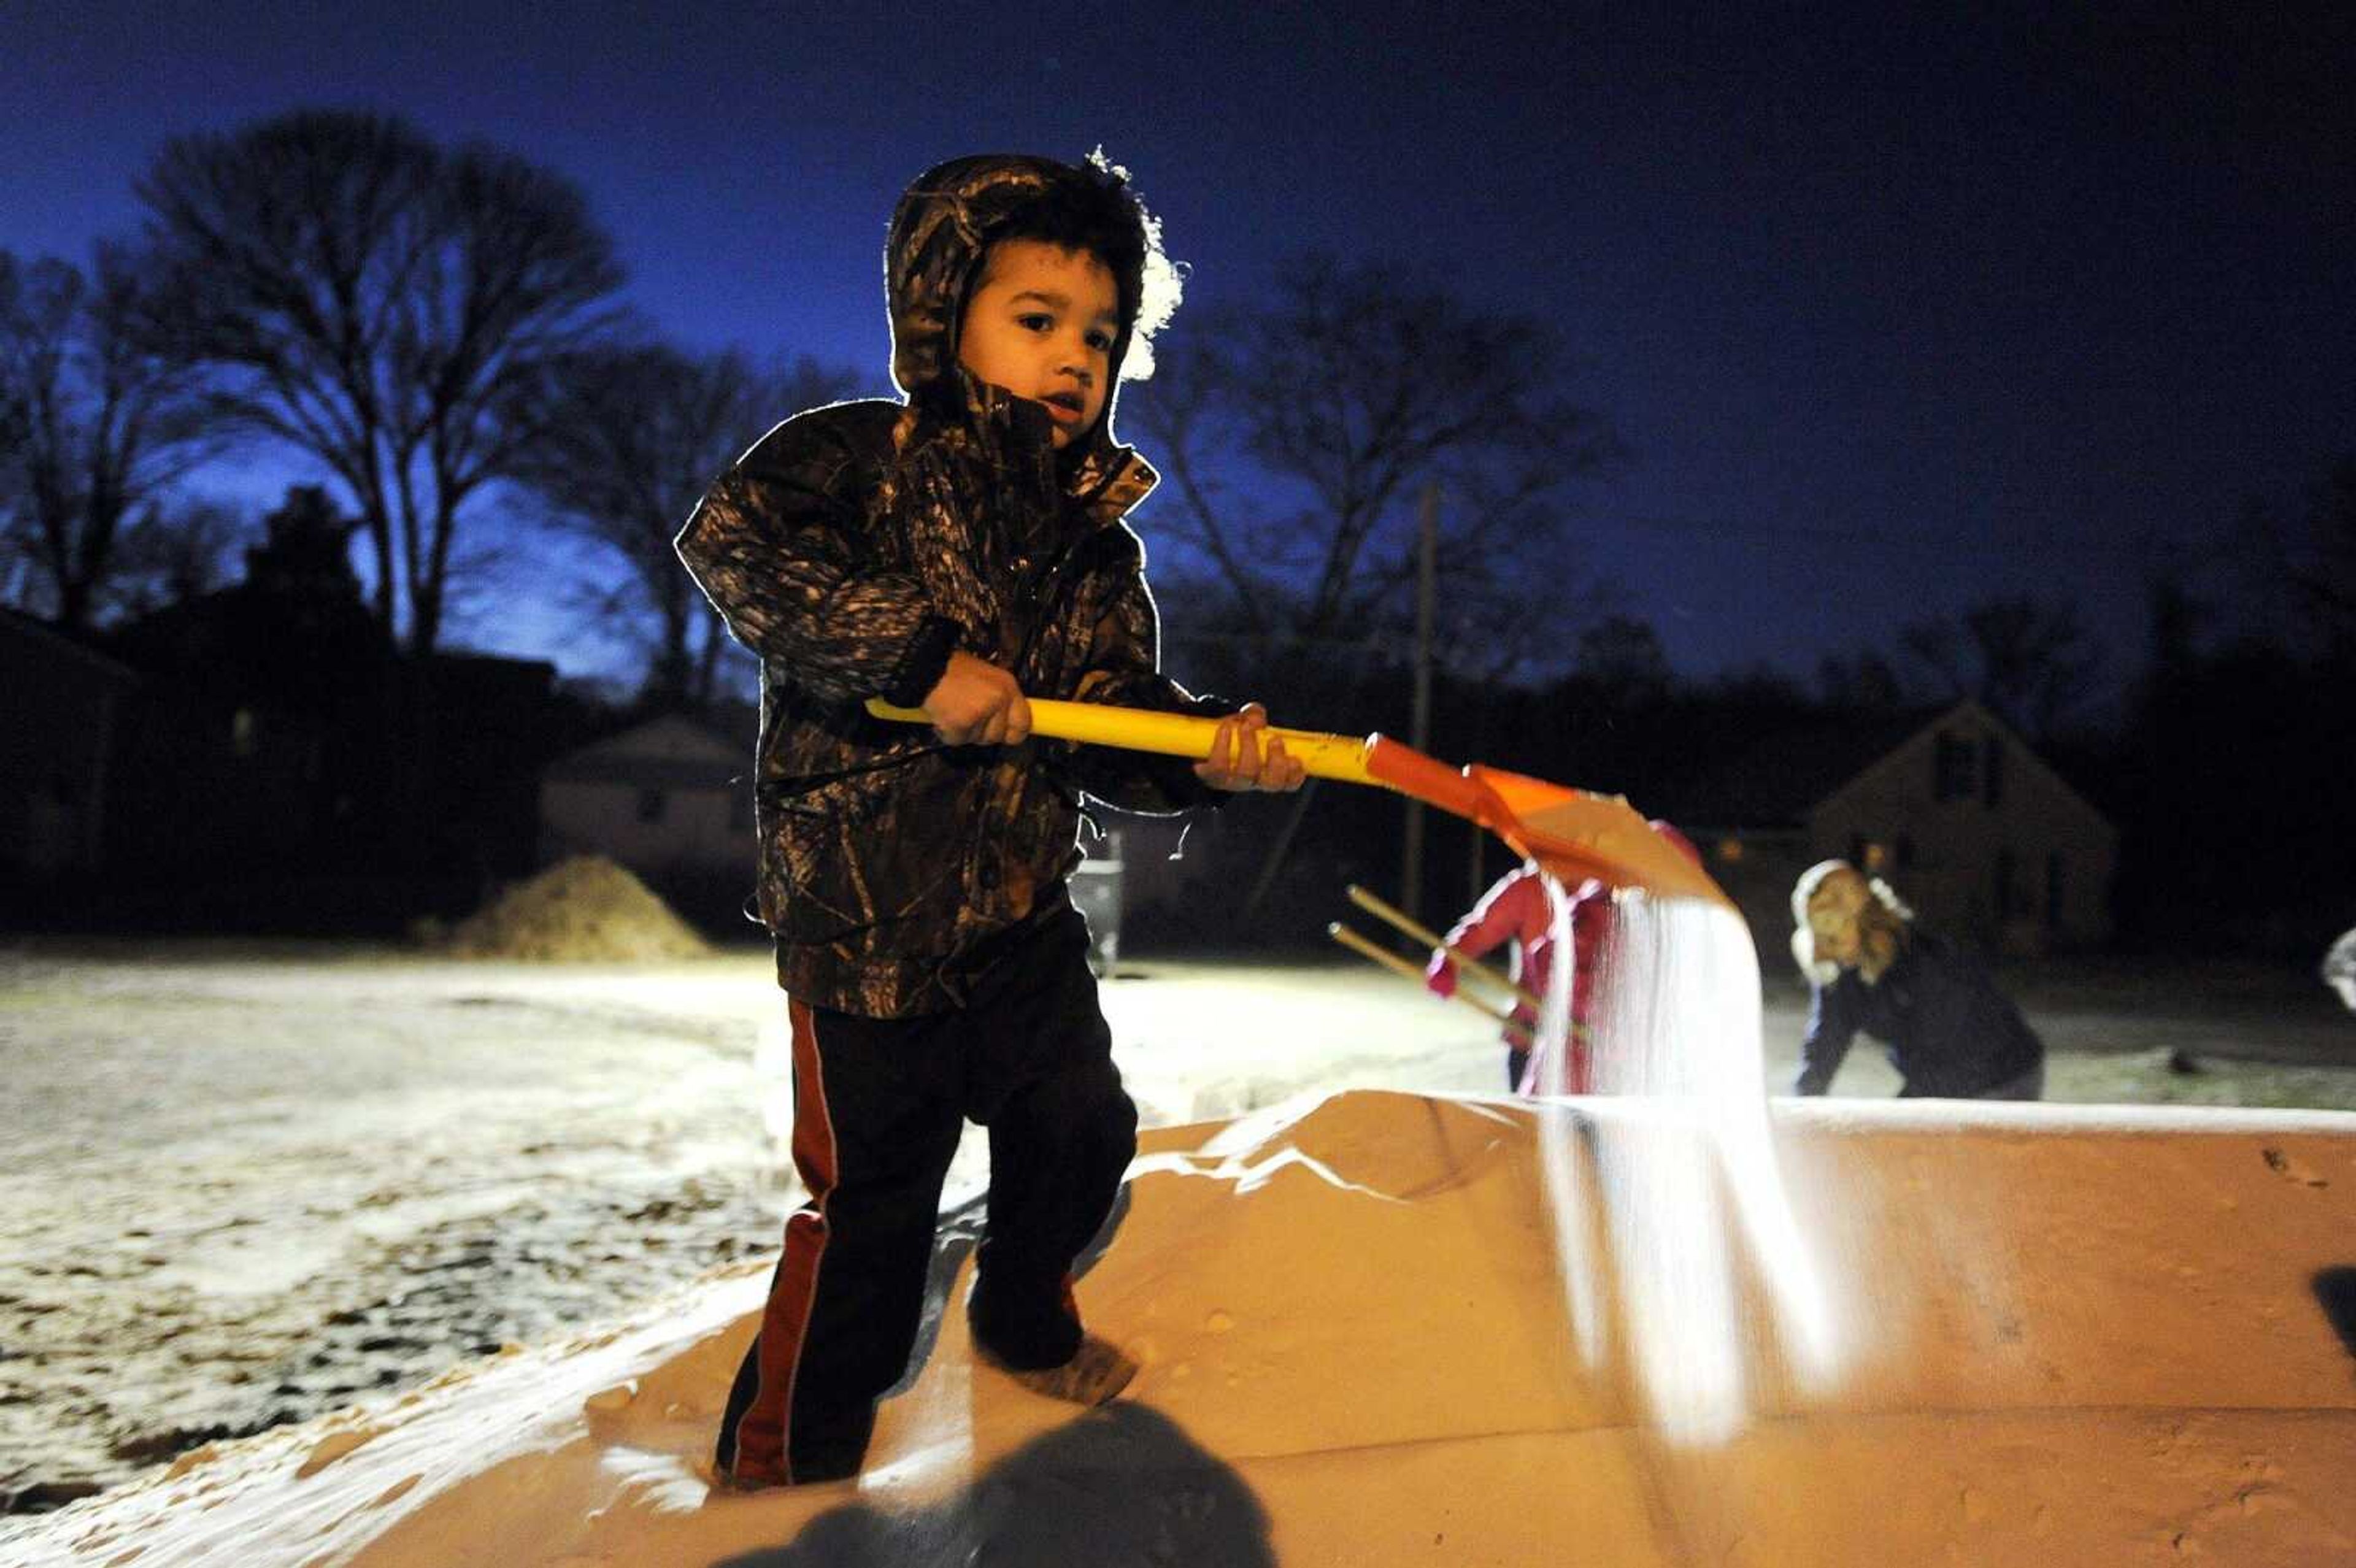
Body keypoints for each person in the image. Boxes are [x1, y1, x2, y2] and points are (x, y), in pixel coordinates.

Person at [676, 153, 1305, 1489]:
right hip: (863, 923)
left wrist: (1203, 759)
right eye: (1037, 320)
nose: (1076, 357)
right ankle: (787, 1466)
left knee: (1083, 1126)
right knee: (876, 1216)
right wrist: (917, 665)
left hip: (1018, 918)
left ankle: (1023, 1309)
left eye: (1101, 334)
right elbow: (734, 547)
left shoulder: (1090, 542)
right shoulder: (854, 462)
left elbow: (1104, 717)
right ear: (940, 312)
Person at [1424, 822, 1698, 1094]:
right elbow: (1480, 928)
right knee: (1532, 1129)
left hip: (1606, 1050)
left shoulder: (1617, 902)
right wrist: (1447, 962)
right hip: (1534, 1033)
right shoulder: (1530, 888)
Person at [1789, 859, 2045, 1099]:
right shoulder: (1841, 967)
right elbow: (1826, 1040)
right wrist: (1800, 1107)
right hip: (1939, 1075)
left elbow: (1950, 1066)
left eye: (1832, 939)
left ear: (1869, 925)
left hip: (2002, 1076)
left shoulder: (1928, 966)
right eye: (1817, 939)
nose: (1822, 952)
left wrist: (1896, 1118)